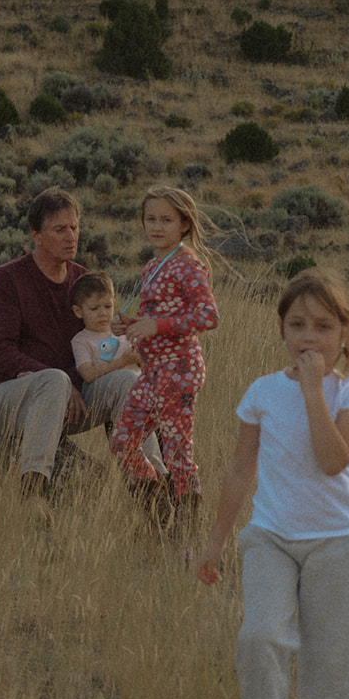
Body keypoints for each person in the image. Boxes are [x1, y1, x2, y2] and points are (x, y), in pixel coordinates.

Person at [194, 268, 349, 699]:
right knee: (259, 639)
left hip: (334, 542)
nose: (308, 337)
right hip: (270, 536)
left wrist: (314, 388)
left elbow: (331, 460)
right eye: (297, 324)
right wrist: (216, 543)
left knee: (334, 658)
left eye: (323, 326)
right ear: (280, 329)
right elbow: (237, 472)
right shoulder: (261, 392)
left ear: (343, 335)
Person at [0, 187, 163, 499]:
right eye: (59, 229)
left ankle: (152, 483)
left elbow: (103, 344)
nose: (70, 236)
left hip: (72, 399)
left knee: (126, 381)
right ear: (36, 235)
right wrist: (62, 382)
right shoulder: (8, 280)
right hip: (6, 397)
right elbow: (0, 353)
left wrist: (134, 347)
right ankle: (34, 488)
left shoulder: (83, 283)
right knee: (54, 380)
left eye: (74, 227)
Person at [108, 186, 220, 529]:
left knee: (176, 451)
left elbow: (208, 316)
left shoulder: (188, 266)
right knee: (122, 442)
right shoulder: (153, 266)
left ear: (184, 224)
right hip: (153, 372)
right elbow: (153, 317)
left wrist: (157, 325)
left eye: (166, 220)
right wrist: (129, 325)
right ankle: (157, 511)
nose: (156, 227)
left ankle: (186, 527)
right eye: (150, 219)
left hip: (179, 370)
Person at [70, 272, 141, 385]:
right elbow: (88, 374)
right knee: (128, 377)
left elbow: (146, 364)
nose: (103, 313)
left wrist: (139, 357)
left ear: (114, 304)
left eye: (108, 306)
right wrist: (122, 361)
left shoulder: (124, 332)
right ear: (78, 311)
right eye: (94, 308)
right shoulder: (81, 340)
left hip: (137, 389)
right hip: (100, 390)